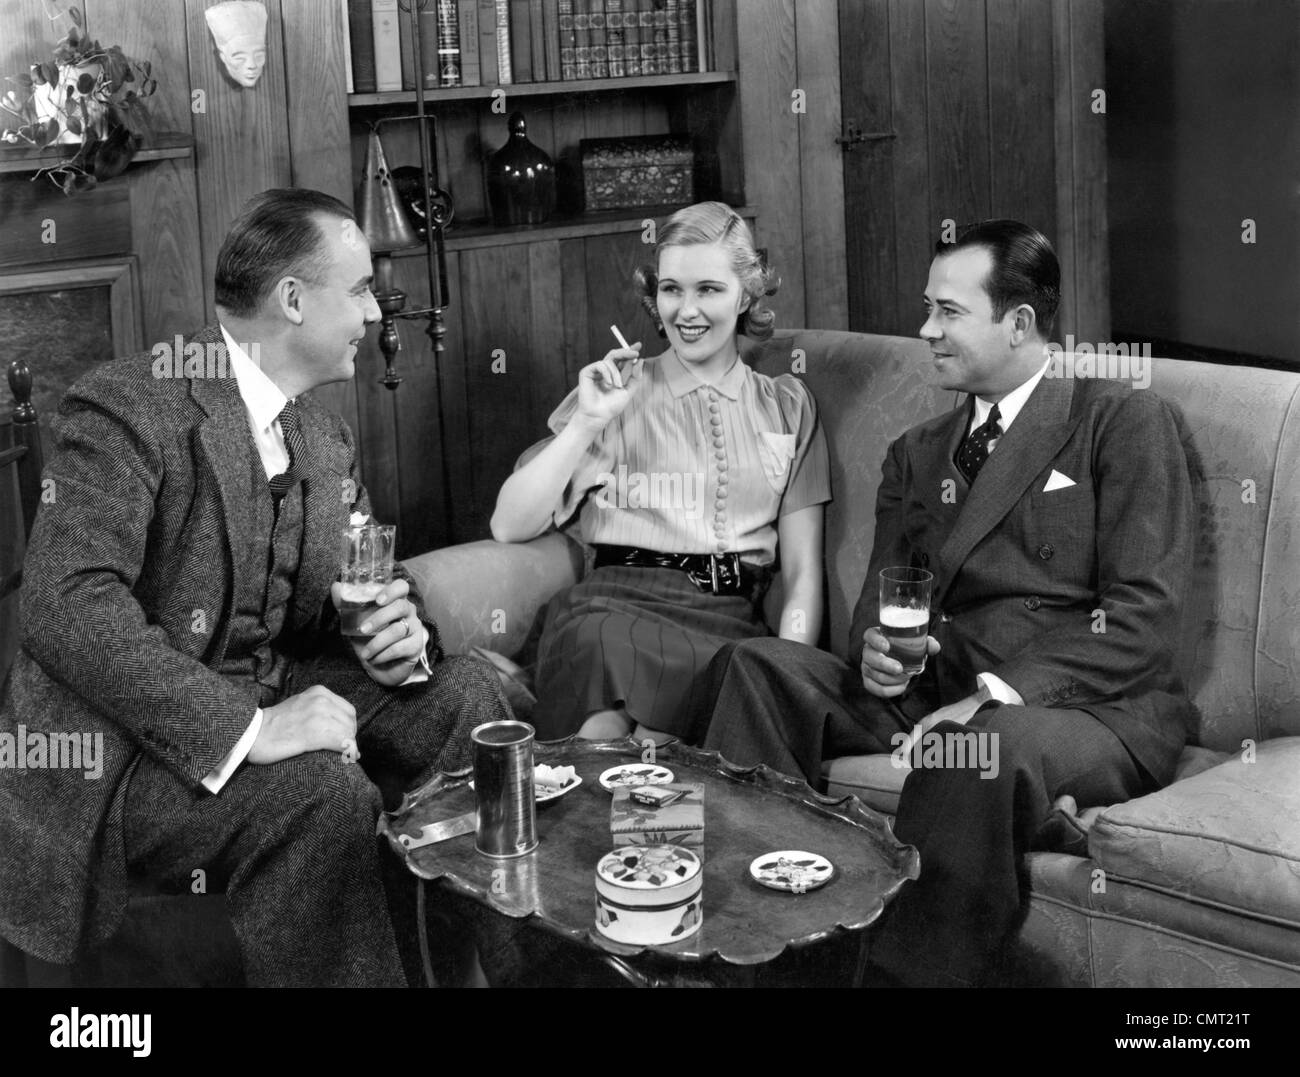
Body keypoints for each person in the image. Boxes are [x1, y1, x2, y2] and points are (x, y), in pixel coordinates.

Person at [0, 188, 509, 987]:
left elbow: (358, 574)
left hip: (273, 682)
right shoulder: (129, 403)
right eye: (363, 290)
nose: (376, 314)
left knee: (469, 701)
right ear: (295, 301)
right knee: (322, 794)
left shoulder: (319, 433)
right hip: (123, 752)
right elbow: (65, 605)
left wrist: (395, 630)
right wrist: (248, 726)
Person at [696, 220, 1194, 987]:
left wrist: (994, 696)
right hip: (933, 690)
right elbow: (878, 608)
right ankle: (743, 950)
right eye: (928, 307)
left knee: (979, 749)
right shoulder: (918, 451)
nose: (925, 329)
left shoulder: (1118, 419)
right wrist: (879, 657)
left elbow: (1144, 620)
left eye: (949, 312)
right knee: (755, 667)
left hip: (1084, 706)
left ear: (1019, 322)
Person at [492, 202, 830, 744]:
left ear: (746, 294)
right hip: (612, 605)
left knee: (659, 740)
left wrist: (789, 672)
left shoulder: (788, 406)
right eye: (671, 289)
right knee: (604, 714)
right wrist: (585, 423)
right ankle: (584, 810)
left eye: (709, 290)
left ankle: (642, 809)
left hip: (725, 620)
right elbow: (509, 525)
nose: (686, 311)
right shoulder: (616, 391)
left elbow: (803, 573)